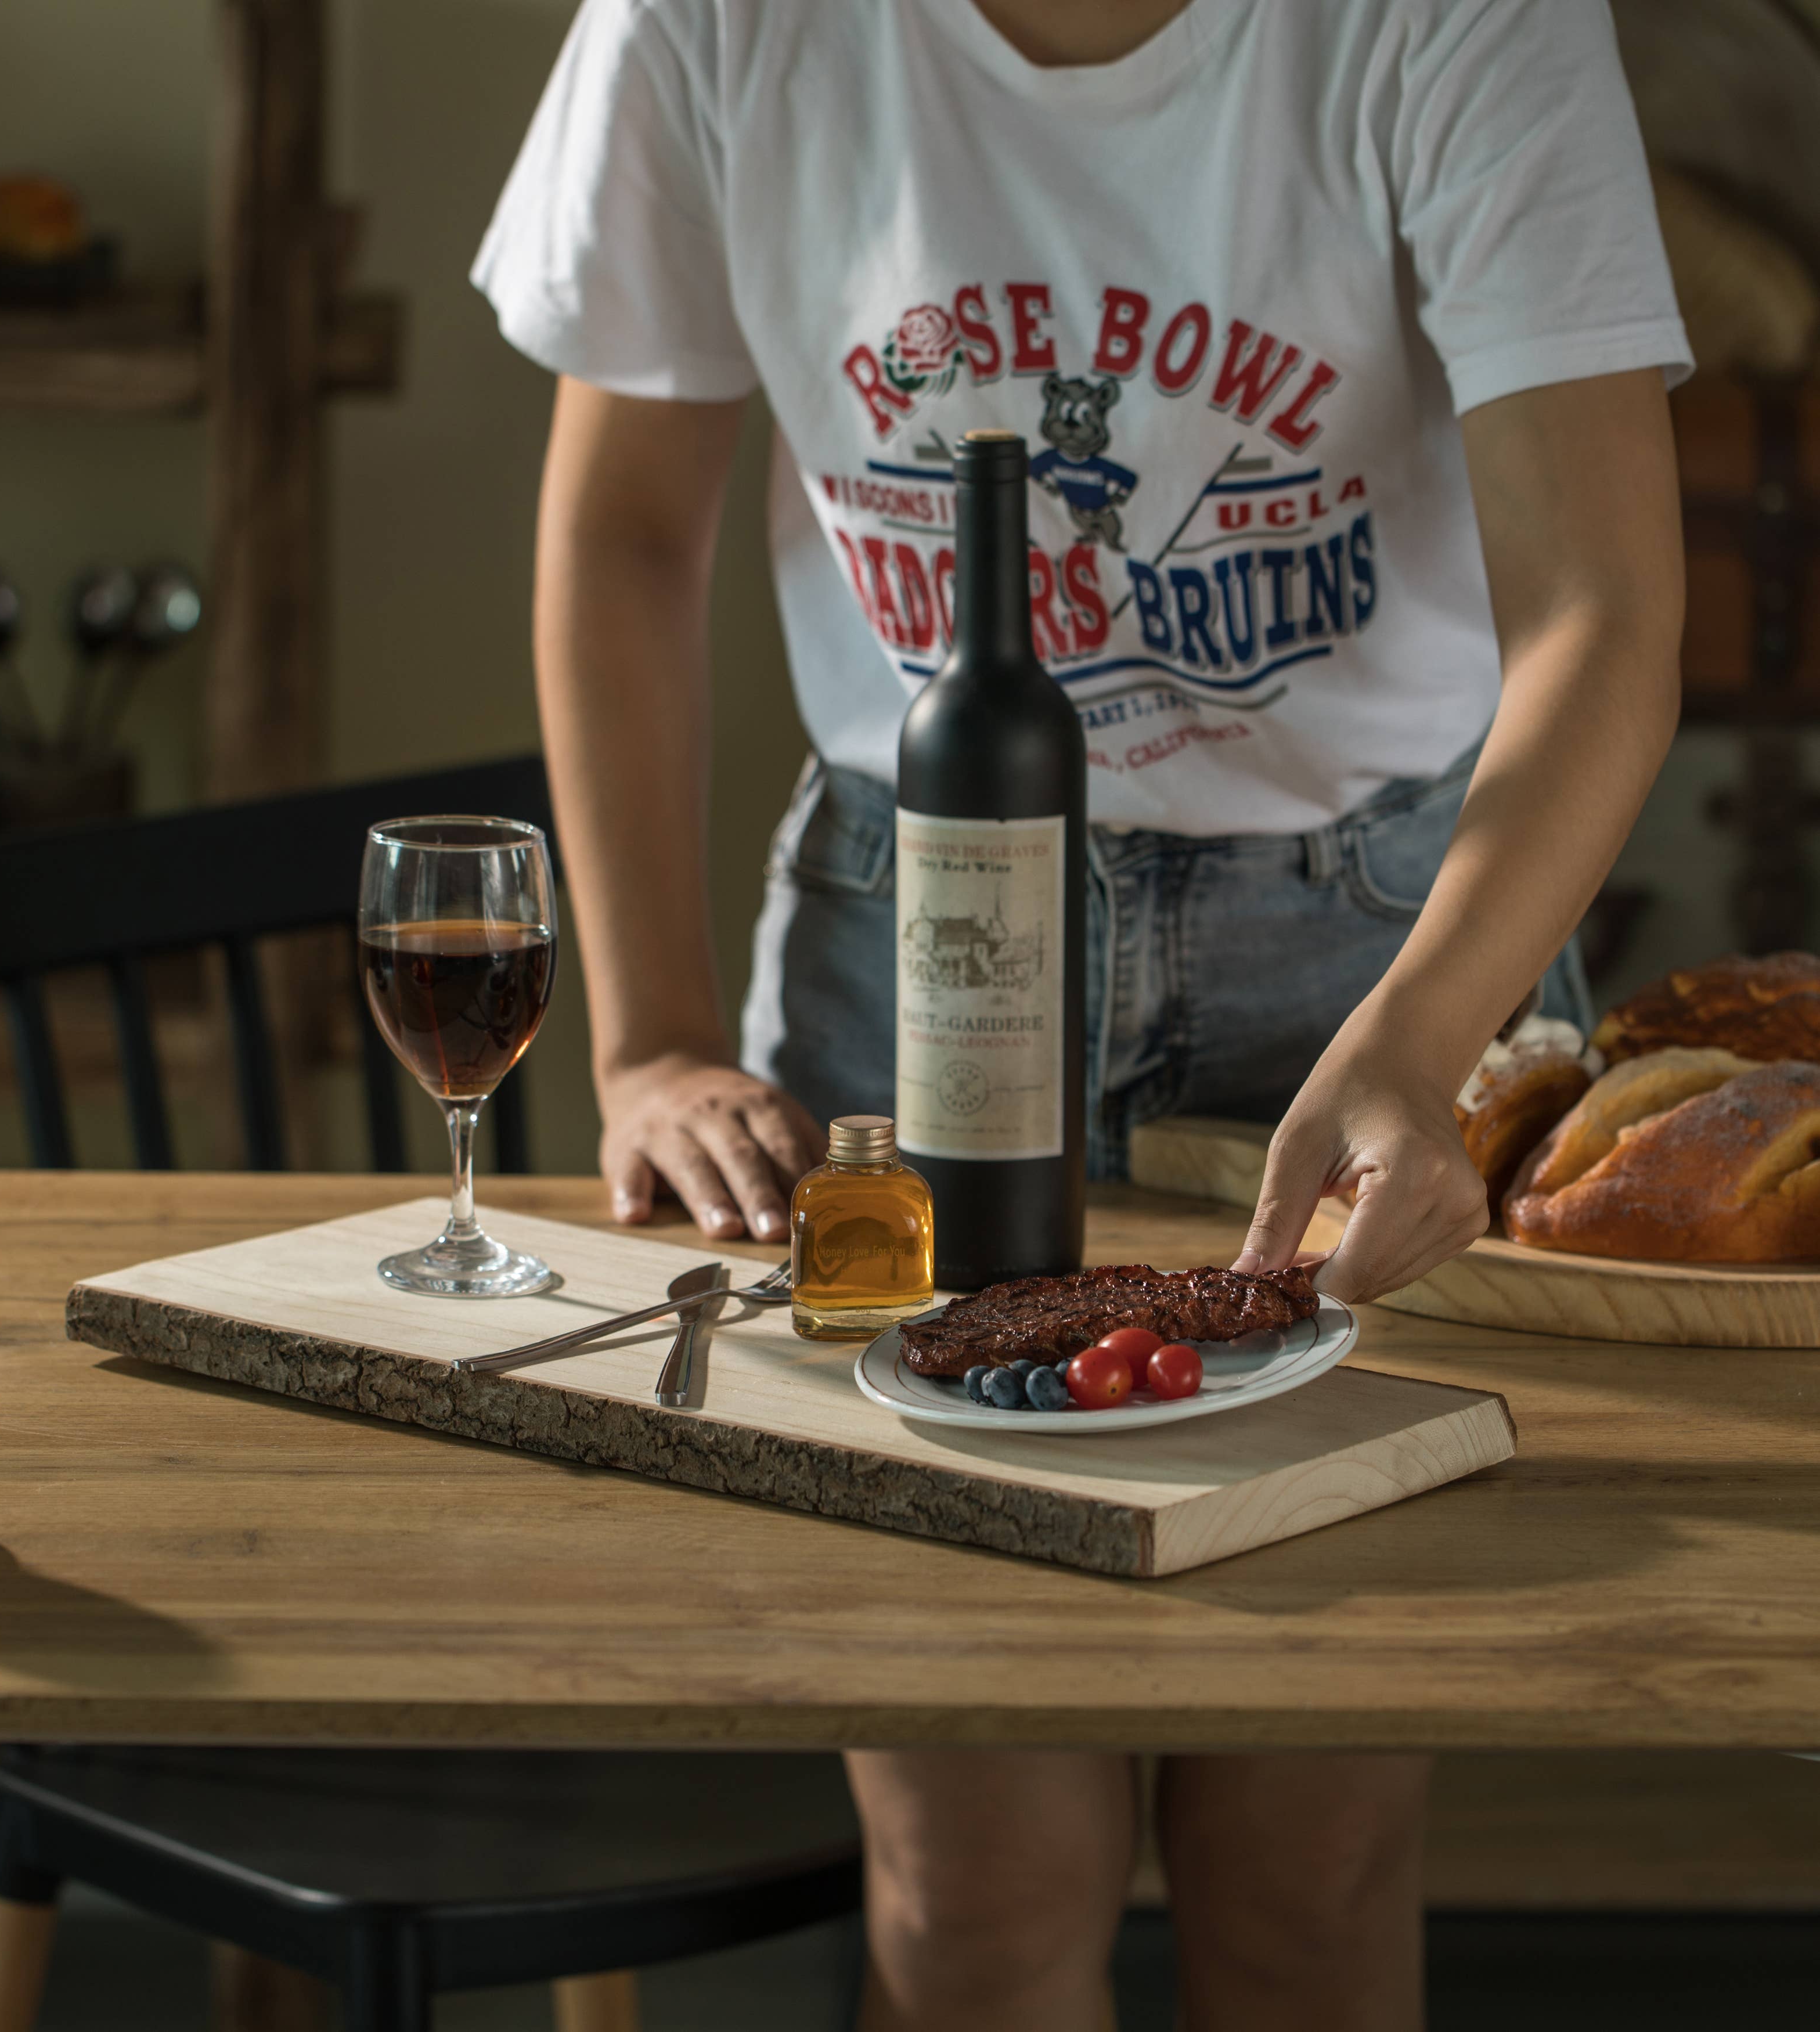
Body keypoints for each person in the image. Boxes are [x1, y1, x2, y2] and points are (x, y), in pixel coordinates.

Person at [474, 1, 1689, 2024]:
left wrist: (1414, 1037)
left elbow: (1604, 609)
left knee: (1304, 1872)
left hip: (1374, 958)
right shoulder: (708, 22)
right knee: (976, 1889)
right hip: (908, 952)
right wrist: (652, 1040)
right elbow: (620, 533)